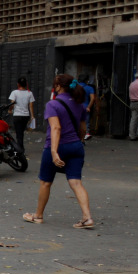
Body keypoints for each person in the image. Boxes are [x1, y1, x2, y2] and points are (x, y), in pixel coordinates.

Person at [23, 74, 93, 229]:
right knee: (76, 182)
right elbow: (83, 129)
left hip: (56, 146)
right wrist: (78, 142)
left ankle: (38, 216)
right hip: (76, 146)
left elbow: (56, 128)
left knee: (46, 182)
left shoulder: (52, 105)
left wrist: (54, 152)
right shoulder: (79, 104)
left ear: (59, 87)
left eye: (55, 84)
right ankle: (87, 217)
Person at [6, 77, 36, 154]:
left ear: (18, 84)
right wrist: (32, 116)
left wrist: (10, 110)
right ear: (26, 84)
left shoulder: (14, 92)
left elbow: (12, 103)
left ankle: (20, 150)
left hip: (17, 115)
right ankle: (20, 148)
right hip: (26, 116)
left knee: (19, 133)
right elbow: (31, 106)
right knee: (21, 132)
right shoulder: (30, 93)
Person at [78, 74, 96, 140]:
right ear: (87, 80)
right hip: (85, 107)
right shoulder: (90, 88)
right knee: (86, 122)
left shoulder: (75, 87)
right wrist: (89, 107)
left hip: (76, 107)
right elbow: (93, 99)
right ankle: (85, 135)